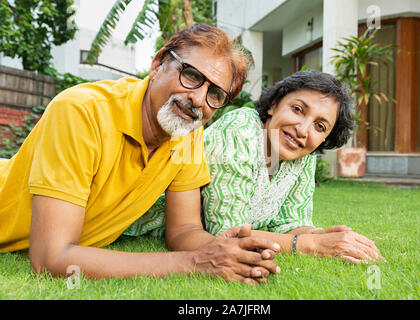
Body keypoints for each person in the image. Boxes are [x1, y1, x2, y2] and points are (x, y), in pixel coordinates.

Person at [0, 24, 282, 284]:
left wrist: (226, 250)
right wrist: (195, 262)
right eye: (192, 75)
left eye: (215, 94)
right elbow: (51, 258)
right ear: (158, 64)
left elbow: (184, 229)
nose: (198, 99)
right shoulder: (82, 111)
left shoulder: (188, 132)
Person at [127, 71, 384, 264]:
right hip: (139, 225)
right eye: (297, 109)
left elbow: (289, 222)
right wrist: (312, 244)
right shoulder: (240, 129)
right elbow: (227, 234)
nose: (303, 130)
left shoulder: (301, 154)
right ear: (274, 105)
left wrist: (328, 236)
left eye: (320, 126)